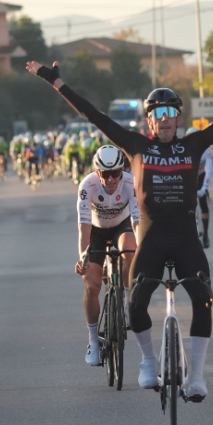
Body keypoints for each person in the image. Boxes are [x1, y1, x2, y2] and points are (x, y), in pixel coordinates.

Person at [27, 58, 213, 400]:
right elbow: (93, 115)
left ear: (178, 117)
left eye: (170, 113)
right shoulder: (137, 145)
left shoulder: (194, 144)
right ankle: (147, 362)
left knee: (203, 298)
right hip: (152, 237)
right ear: (149, 121)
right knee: (136, 301)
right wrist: (56, 82)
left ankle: (197, 376)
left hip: (185, 235)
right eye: (157, 115)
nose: (165, 120)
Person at [74, 146, 140, 366]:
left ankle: (127, 301)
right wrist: (83, 256)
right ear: (96, 171)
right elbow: (83, 229)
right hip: (96, 231)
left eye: (116, 173)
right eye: (105, 174)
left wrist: (142, 248)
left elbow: (137, 222)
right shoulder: (87, 186)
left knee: (130, 250)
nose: (111, 179)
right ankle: (93, 341)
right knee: (91, 285)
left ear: (122, 170)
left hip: (122, 225)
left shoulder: (130, 183)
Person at [186, 126, 213, 248]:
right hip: (189, 177)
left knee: (203, 205)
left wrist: (204, 188)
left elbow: (209, 170)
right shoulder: (184, 149)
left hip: (201, 176)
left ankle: (206, 235)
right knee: (188, 207)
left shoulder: (206, 149)